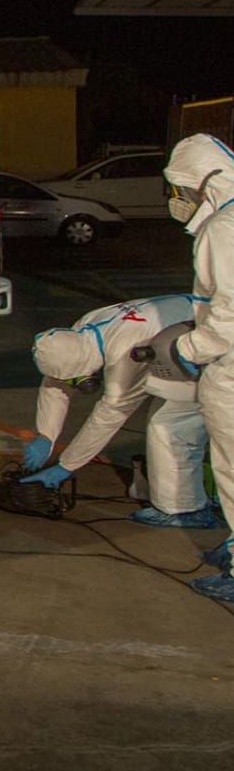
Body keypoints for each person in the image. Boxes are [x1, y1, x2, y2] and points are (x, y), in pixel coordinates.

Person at [20, 296, 216, 528]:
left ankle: (187, 510)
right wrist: (46, 435)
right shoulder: (79, 334)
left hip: (212, 346)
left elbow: (110, 415)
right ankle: (182, 496)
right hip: (197, 331)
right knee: (168, 419)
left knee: (170, 427)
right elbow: (56, 382)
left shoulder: (125, 354)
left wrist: (67, 465)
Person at [163, 134, 234, 602]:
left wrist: (190, 347)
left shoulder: (224, 228)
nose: (178, 199)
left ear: (203, 183)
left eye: (181, 189)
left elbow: (230, 311)